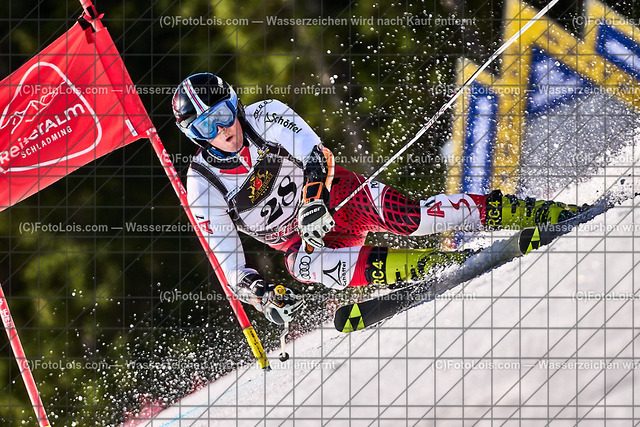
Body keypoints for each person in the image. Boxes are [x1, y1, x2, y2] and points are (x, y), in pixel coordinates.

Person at [172, 73, 582, 324]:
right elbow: (232, 267)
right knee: (301, 265)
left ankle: (524, 210)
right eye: (207, 126)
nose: (223, 130)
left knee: (416, 219)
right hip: (305, 241)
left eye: (223, 114)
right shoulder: (203, 184)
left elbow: (316, 155)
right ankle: (432, 266)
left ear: (234, 104)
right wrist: (263, 296)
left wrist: (314, 201)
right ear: (194, 136)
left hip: (340, 198)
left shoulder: (264, 116)